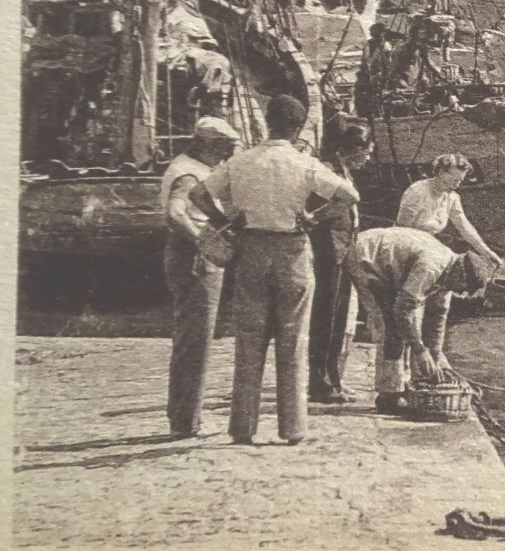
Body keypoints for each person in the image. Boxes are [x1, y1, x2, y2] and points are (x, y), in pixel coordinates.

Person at [190, 94, 359, 446]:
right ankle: (292, 428)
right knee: (293, 340)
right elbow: (348, 196)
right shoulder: (303, 163)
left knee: (248, 342)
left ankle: (242, 427)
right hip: (292, 250)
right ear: (297, 128)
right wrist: (314, 217)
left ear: (267, 122)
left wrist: (227, 222)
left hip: (250, 249)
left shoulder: (241, 162)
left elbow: (198, 194)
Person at [346, 226, 496, 413]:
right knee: (390, 326)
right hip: (366, 257)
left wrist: (433, 360)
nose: (462, 292)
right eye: (464, 287)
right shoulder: (431, 267)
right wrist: (419, 349)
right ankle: (388, 395)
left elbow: (436, 323)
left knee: (409, 329)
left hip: (391, 267)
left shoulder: (448, 275)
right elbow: (403, 310)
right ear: (460, 273)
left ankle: (405, 383)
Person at [160, 116, 240, 438]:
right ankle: (185, 421)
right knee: (196, 340)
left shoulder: (184, 165)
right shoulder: (189, 173)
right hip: (193, 256)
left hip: (187, 253)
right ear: (207, 145)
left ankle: (185, 417)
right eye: (222, 149)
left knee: (193, 338)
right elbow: (175, 213)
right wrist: (202, 240)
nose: (224, 157)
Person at [307, 117, 374, 405]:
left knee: (338, 316)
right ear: (354, 148)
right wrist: (320, 217)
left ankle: (333, 379)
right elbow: (317, 207)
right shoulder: (328, 170)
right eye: (367, 152)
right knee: (326, 317)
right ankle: (320, 382)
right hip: (328, 250)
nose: (368, 159)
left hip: (343, 250)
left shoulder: (343, 170)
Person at [395, 153, 502, 266]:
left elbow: (465, 227)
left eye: (459, 181)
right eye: (454, 180)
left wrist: (487, 253)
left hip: (425, 248)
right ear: (441, 173)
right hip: (404, 250)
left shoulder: (452, 197)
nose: (456, 185)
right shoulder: (417, 192)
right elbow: (402, 231)